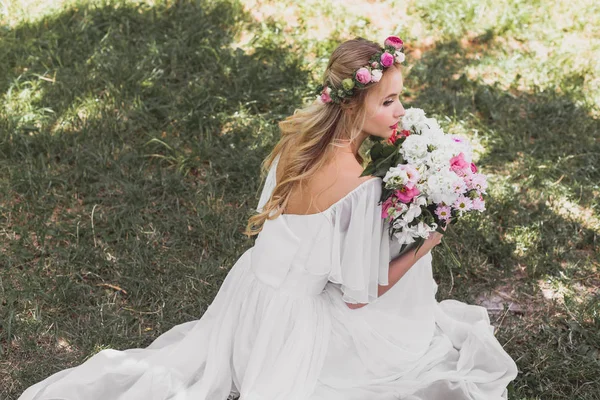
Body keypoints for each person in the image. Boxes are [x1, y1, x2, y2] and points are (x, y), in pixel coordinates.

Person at [19, 37, 518, 400]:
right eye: (387, 100)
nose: (400, 110)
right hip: (295, 322)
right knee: (407, 322)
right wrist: (426, 240)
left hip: (249, 295)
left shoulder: (300, 141)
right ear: (353, 103)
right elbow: (366, 293)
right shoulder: (360, 188)